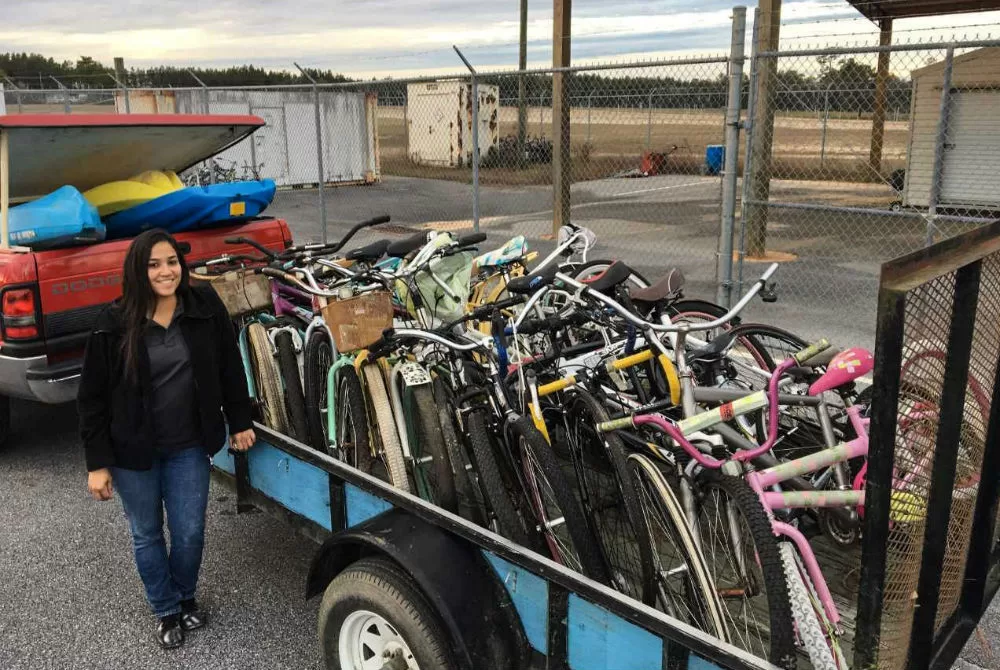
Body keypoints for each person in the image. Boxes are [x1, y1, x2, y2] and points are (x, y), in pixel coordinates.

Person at [78, 229, 256, 649]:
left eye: (171, 261)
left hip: (188, 445)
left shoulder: (203, 306)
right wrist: (96, 463)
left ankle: (185, 596)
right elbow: (92, 399)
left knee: (190, 530)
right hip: (131, 452)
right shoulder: (112, 324)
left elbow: (230, 365)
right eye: (154, 264)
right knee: (147, 532)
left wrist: (240, 419)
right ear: (138, 271)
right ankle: (166, 609)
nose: (165, 271)